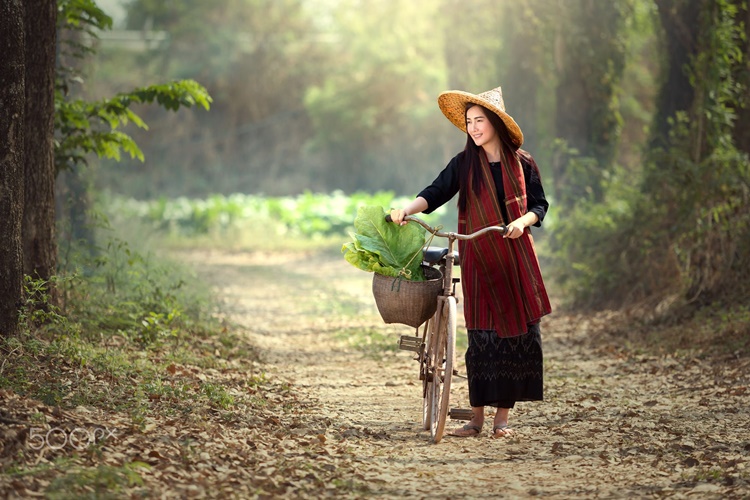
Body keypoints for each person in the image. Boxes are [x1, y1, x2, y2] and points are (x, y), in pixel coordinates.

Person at [389, 86, 551, 438]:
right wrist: (405, 209)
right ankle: (476, 418)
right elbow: (434, 193)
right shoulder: (464, 164)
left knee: (516, 338)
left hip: (515, 259)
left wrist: (521, 224)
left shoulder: (524, 163)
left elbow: (539, 207)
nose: (474, 128)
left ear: (495, 123)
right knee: (481, 339)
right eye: (469, 122)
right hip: (479, 257)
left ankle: (502, 420)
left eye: (480, 121)